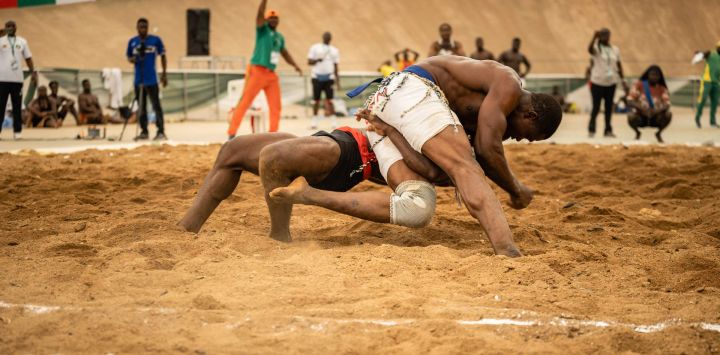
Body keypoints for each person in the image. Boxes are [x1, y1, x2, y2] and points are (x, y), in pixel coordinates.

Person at [287, 57, 562, 257]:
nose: (518, 139)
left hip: (386, 115)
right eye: (528, 135)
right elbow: (487, 152)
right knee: (466, 166)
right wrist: (515, 189)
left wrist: (391, 131)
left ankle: (307, 194)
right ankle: (507, 249)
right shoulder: (508, 83)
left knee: (417, 207)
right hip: (410, 88)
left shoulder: (473, 122)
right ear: (531, 115)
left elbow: (433, 173)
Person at [178, 124, 446, 237]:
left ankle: (280, 235)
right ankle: (186, 229)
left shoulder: (436, 135)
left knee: (273, 157)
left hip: (351, 154)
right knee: (233, 150)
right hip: (341, 139)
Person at [227, 0, 302, 139]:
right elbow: (259, 14)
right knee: (245, 102)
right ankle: (231, 133)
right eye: (270, 18)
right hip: (257, 71)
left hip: (271, 75)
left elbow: (285, 53)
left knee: (276, 107)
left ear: (278, 20)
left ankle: (272, 136)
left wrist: (295, 65)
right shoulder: (262, 31)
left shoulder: (280, 37)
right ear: (266, 20)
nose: (273, 20)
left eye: (275, 18)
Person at [126, 17, 167, 141]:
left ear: (147, 28)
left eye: (144, 27)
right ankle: (144, 131)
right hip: (139, 80)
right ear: (137, 28)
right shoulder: (133, 42)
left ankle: (161, 131)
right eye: (140, 27)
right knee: (141, 106)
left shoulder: (155, 40)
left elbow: (163, 56)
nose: (142, 29)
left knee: (156, 106)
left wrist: (164, 74)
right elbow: (129, 57)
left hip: (152, 79)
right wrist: (134, 58)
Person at [587, 28, 628, 138]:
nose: (606, 37)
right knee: (596, 107)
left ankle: (608, 130)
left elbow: (619, 65)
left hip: (611, 82)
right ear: (600, 36)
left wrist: (623, 80)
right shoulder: (596, 48)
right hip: (597, 82)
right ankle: (591, 129)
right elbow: (589, 49)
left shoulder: (615, 49)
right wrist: (594, 38)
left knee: (609, 108)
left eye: (607, 34)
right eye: (603, 35)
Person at [0, 20, 37, 140]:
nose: (10, 28)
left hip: (17, 79)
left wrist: (33, 73)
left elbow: (28, 58)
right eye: (7, 26)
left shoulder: (22, 41)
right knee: (1, 106)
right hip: (2, 79)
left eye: (12, 26)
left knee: (17, 107)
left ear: (16, 27)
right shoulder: (1, 40)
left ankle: (17, 132)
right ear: (5, 28)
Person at [626, 65, 672, 143]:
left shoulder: (662, 88)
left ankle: (658, 133)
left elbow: (667, 104)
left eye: (657, 75)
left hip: (655, 116)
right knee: (630, 116)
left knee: (668, 114)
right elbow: (630, 100)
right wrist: (642, 109)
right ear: (648, 75)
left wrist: (656, 111)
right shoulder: (639, 85)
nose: (655, 77)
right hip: (641, 116)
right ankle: (637, 133)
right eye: (652, 74)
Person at [308, 31, 340, 129]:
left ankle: (333, 121)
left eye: (328, 36)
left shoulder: (334, 50)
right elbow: (309, 61)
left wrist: (338, 80)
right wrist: (317, 60)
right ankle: (314, 122)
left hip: (329, 77)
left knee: (330, 100)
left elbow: (336, 66)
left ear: (330, 38)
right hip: (316, 77)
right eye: (325, 36)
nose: (327, 37)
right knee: (316, 100)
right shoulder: (315, 47)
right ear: (322, 37)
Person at [693, 41, 720, 128]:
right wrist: (699, 53)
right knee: (703, 99)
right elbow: (702, 55)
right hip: (706, 81)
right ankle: (697, 117)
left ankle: (712, 122)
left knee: (715, 103)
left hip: (716, 83)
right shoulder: (711, 54)